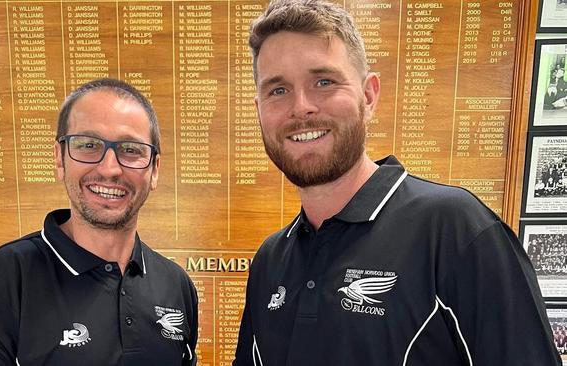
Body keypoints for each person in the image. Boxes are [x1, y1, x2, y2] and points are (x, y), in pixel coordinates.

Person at [233, 0, 560, 365]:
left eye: (324, 82)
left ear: (368, 96)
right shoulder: (271, 260)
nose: (301, 106)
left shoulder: (456, 230)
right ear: (259, 108)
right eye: (278, 90)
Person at [0, 79, 198, 365]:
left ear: (154, 170)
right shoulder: (4, 279)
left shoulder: (176, 285)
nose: (110, 168)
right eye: (88, 145)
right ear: (59, 159)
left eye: (131, 150)